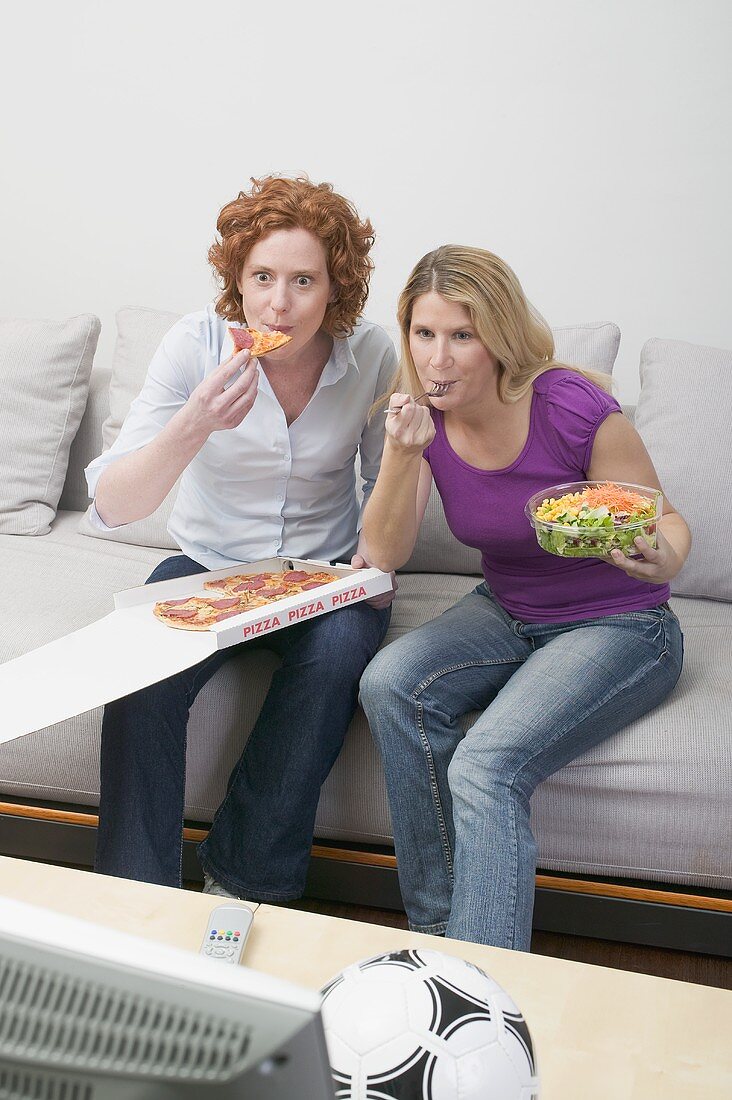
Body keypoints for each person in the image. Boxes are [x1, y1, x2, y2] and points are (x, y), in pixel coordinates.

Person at [359, 245, 689, 951]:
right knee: (390, 682)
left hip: (623, 623)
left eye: (461, 336)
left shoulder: (569, 406)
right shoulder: (421, 418)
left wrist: (658, 554)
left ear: (498, 337)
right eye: (424, 334)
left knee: (486, 764)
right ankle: (441, 936)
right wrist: (399, 453)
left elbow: (667, 523)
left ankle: (488, 988)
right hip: (508, 610)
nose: (439, 359)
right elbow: (383, 555)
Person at [87, 175, 397, 899]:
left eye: (302, 281)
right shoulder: (193, 345)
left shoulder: (373, 355)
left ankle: (244, 880)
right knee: (136, 672)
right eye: (261, 277)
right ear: (237, 278)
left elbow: (389, 488)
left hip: (321, 573)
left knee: (339, 654)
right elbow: (110, 503)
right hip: (206, 565)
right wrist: (193, 424)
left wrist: (374, 575)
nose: (278, 304)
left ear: (335, 290)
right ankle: (135, 897)